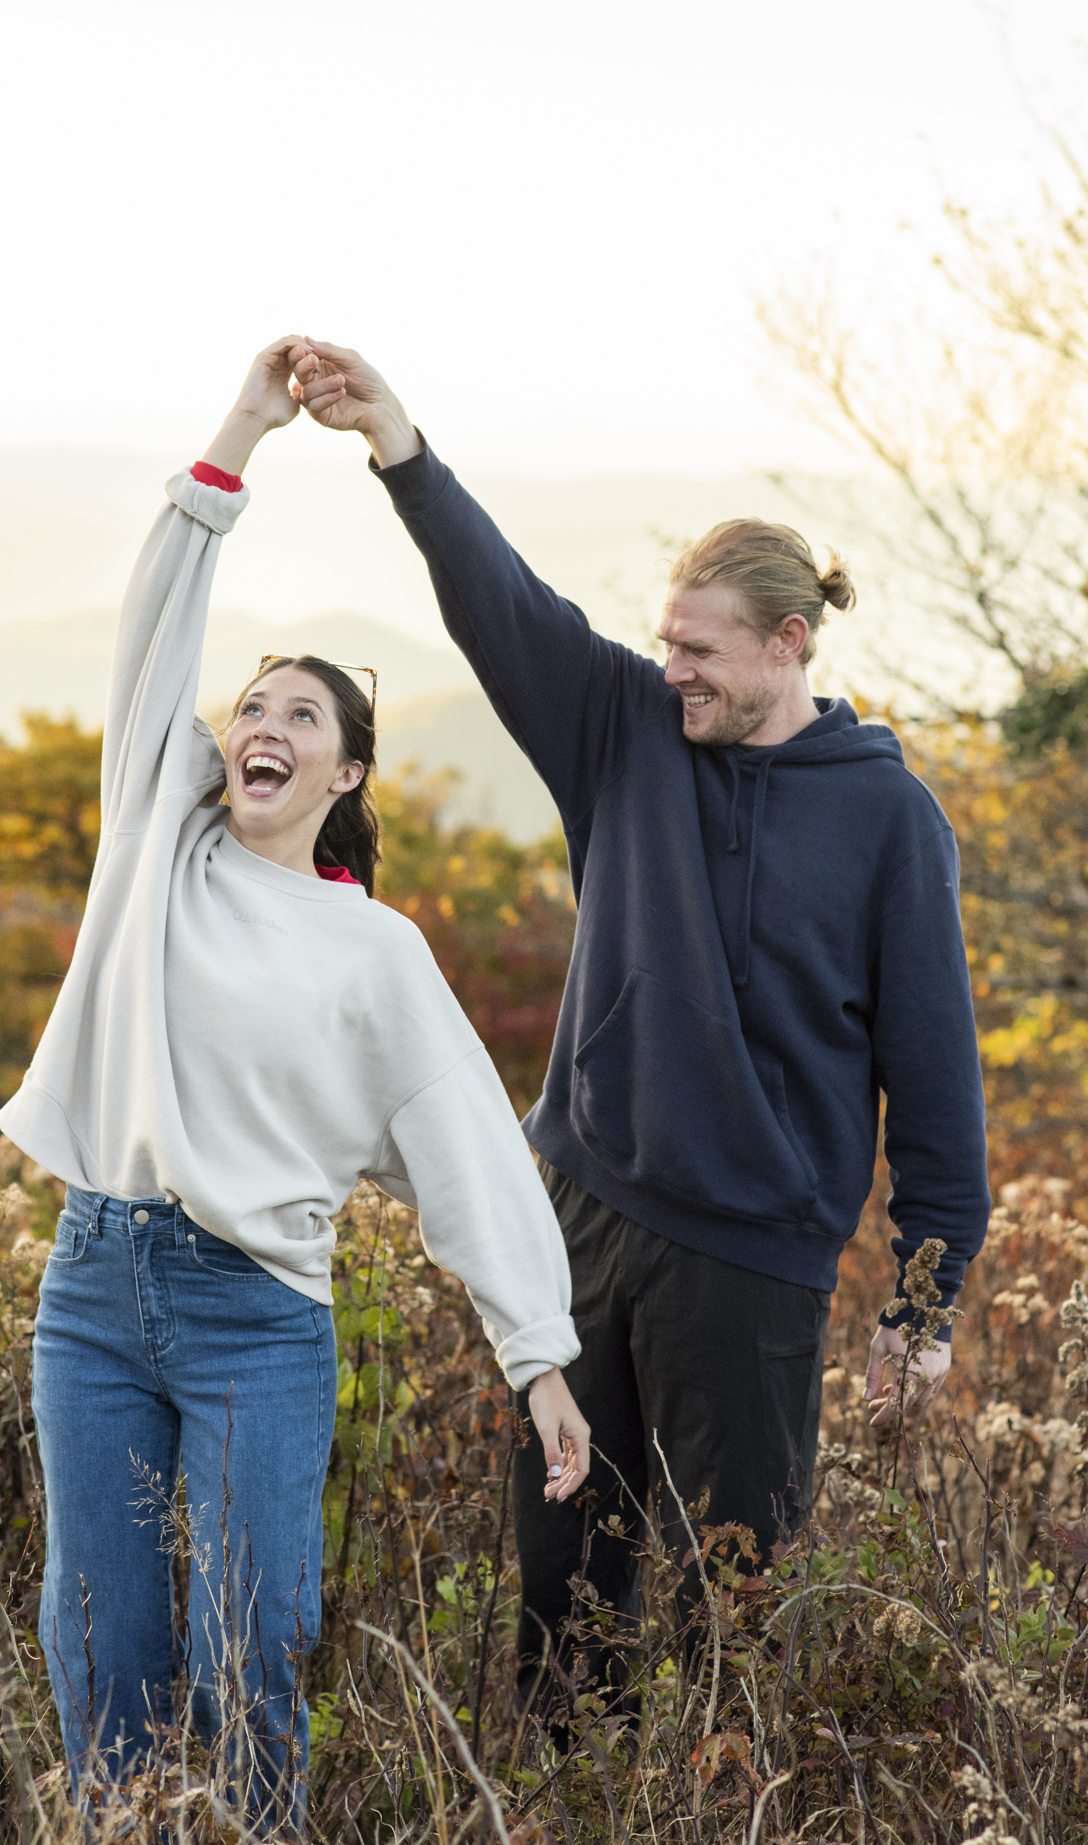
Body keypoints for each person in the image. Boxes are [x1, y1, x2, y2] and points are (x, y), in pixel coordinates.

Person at [286, 338, 992, 1713]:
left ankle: (728, 1831)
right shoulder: (624, 729)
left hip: (754, 1252)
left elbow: (934, 1065)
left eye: (702, 650)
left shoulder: (888, 819)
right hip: (581, 1214)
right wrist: (400, 447)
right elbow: (506, 608)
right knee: (561, 1574)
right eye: (666, 641)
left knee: (740, 1592)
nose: (674, 670)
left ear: (791, 644)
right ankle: (572, 1812)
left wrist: (927, 1293)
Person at [0, 338, 592, 1822]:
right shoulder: (154, 849)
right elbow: (154, 627)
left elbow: (464, 1145)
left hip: (256, 1313)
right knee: (102, 1630)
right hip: (93, 1287)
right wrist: (245, 430)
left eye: (302, 719)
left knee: (250, 1630)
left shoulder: (373, 953)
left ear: (344, 778)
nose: (263, 725)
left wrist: (538, 1353)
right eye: (252, 706)